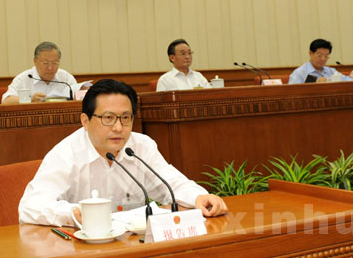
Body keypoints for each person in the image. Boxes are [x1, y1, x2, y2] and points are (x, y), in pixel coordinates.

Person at [18, 79, 227, 226]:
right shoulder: (67, 153)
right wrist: (73, 213)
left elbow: (171, 183)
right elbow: (31, 206)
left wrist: (199, 196)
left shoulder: (141, 147)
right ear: (85, 121)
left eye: (125, 118)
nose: (118, 128)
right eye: (108, 118)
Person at [2, 42, 77, 104]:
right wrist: (30, 99)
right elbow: (6, 101)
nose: (50, 68)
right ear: (35, 61)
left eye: (54, 63)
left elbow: (79, 99)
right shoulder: (24, 79)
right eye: (45, 63)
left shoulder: (66, 78)